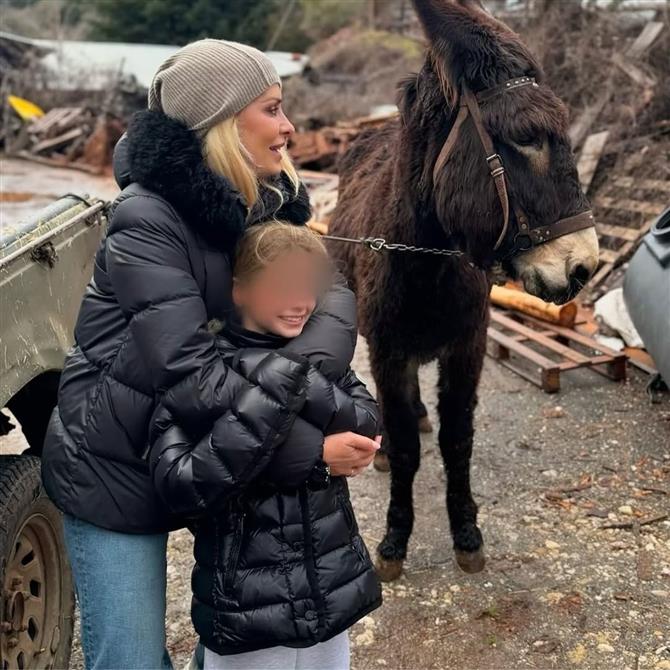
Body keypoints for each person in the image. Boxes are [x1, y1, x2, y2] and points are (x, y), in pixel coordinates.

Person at [41, 39, 379, 670]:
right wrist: (311, 451)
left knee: (232, 634)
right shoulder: (148, 218)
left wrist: (285, 382)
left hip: (217, 452)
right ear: (221, 122)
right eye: (273, 109)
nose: (289, 127)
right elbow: (189, 372)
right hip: (117, 467)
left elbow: (331, 305)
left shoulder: (270, 203)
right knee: (130, 662)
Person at [150, 221, 382, 670]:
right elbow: (182, 484)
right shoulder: (203, 374)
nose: (301, 303)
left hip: (328, 596)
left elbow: (368, 420)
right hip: (246, 612)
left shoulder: (319, 357)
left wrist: (288, 374)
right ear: (239, 290)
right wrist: (314, 454)